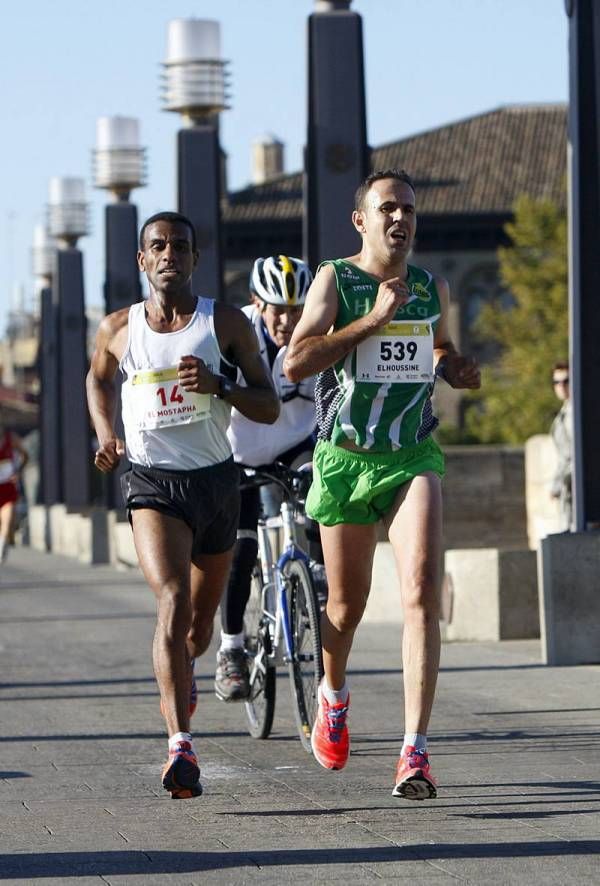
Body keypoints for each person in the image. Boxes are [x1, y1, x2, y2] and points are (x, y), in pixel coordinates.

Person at [283, 169, 481, 800]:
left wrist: (455, 367)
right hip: (345, 458)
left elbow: (440, 348)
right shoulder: (335, 281)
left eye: (410, 210)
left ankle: (414, 751)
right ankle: (333, 693)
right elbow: (295, 360)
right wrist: (370, 321)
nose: (401, 218)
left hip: (411, 453)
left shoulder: (431, 287)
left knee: (422, 588)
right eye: (388, 208)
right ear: (361, 220)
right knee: (346, 606)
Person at [86, 212, 279, 799]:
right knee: (170, 598)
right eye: (158, 246)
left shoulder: (224, 325)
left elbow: (267, 405)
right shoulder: (118, 329)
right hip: (152, 483)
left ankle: (188, 669)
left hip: (217, 483)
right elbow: (97, 380)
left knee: (196, 631)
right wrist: (105, 433)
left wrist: (220, 386)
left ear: (196, 259)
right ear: (143, 259)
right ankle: (180, 746)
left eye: (181, 246)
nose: (170, 254)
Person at [214, 255, 322, 701]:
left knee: (321, 494)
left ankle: (314, 576)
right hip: (238, 451)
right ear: (257, 304)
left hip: (297, 443)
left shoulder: (319, 333)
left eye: (297, 309)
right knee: (241, 548)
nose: (287, 319)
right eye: (278, 309)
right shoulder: (234, 335)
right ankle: (232, 649)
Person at [0, 407, 29, 563]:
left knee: (8, 517)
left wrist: (18, 470)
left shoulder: (11, 438)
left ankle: (2, 546)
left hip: (7, 486)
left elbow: (25, 454)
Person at [550, 361, 572, 532]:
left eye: (566, 381)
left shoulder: (578, 412)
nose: (561, 386)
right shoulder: (563, 414)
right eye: (556, 382)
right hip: (568, 487)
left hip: (579, 485)